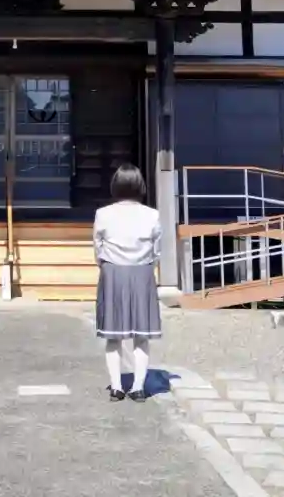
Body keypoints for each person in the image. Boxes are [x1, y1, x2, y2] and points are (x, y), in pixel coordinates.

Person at [93, 163, 162, 401]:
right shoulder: (152, 215)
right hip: (142, 272)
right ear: (140, 185)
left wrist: (106, 265)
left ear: (116, 185)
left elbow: (98, 248)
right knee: (142, 335)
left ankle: (116, 387)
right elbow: (156, 250)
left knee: (113, 335)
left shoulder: (103, 214)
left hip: (113, 272)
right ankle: (138, 387)